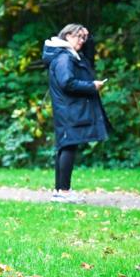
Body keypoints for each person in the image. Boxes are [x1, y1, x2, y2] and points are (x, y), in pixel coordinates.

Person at [42, 24, 111, 202]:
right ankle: (63, 192)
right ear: (67, 36)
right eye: (78, 37)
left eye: (83, 38)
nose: (82, 41)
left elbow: (89, 56)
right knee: (69, 147)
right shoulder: (64, 58)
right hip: (69, 110)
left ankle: (60, 191)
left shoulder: (67, 55)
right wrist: (92, 86)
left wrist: (89, 37)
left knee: (66, 146)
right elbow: (68, 83)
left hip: (68, 110)